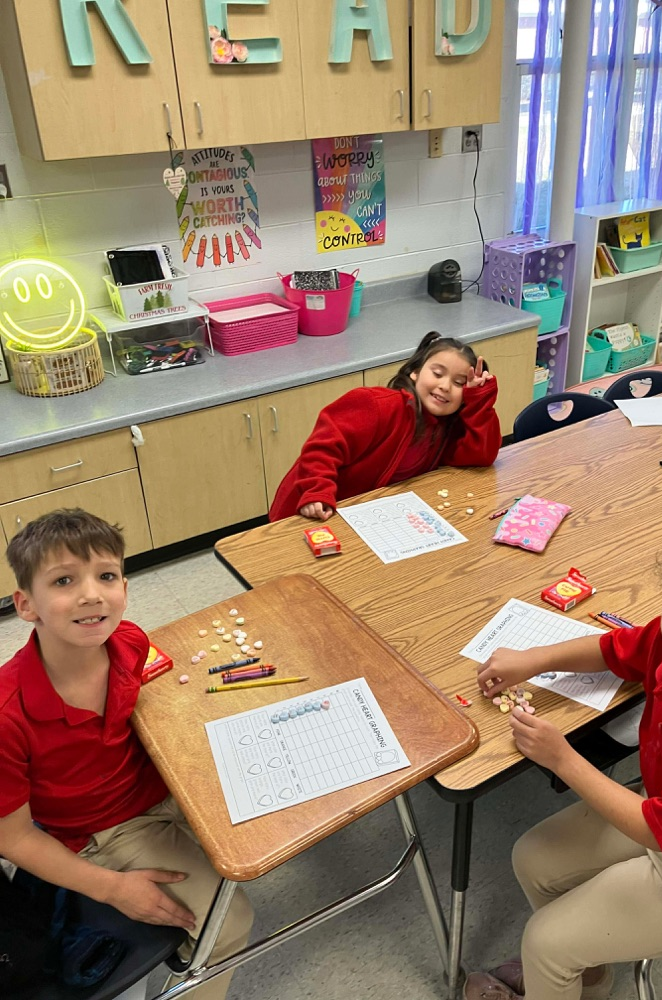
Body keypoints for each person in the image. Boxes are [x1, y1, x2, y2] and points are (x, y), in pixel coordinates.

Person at [466, 523, 662, 1000]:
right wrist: (532, 660)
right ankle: (587, 978)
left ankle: (559, 968)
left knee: (544, 942)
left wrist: (562, 757)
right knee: (532, 858)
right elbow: (615, 649)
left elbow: (657, 831)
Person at [0, 508, 253, 1000]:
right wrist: (108, 887)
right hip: (103, 831)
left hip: (162, 786)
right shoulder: (7, 715)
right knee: (231, 922)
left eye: (107, 575)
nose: (92, 593)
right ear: (26, 604)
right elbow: (13, 838)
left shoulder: (129, 641)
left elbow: (143, 708)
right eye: (65, 580)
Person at [269, 331, 501, 521]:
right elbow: (321, 449)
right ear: (415, 372)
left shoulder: (446, 426)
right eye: (438, 373)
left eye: (459, 383)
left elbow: (481, 456)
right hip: (309, 507)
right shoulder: (375, 405)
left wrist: (478, 401)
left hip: (365, 515)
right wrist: (316, 491)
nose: (445, 386)